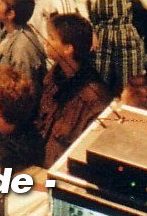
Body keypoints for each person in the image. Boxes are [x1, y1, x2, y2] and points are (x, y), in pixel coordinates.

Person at [37, 12, 114, 166]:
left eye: (52, 38)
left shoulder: (93, 98)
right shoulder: (54, 76)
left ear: (68, 49)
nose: (46, 41)